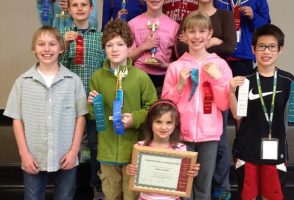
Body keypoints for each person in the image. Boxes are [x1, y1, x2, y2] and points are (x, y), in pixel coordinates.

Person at [3, 26, 87, 200]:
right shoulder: (22, 82)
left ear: (61, 48)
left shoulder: (73, 81)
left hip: (66, 155)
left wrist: (73, 151)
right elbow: (17, 120)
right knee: (33, 196)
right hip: (33, 155)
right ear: (34, 48)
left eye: (52, 44)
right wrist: (24, 154)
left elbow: (81, 117)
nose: (47, 49)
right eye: (41, 44)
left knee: (65, 196)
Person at [162, 10, 232, 200]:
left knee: (203, 186)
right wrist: (179, 86)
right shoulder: (175, 67)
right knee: (183, 186)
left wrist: (218, 80)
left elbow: (224, 104)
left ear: (210, 34)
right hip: (181, 134)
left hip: (209, 135)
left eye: (202, 31)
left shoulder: (221, 66)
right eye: (191, 32)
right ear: (183, 36)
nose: (197, 36)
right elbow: (165, 107)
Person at [87, 19, 157, 200]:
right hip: (107, 151)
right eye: (109, 45)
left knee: (131, 195)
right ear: (104, 48)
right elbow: (93, 115)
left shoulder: (141, 77)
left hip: (133, 152)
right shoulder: (97, 78)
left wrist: (134, 118)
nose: (114, 49)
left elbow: (153, 109)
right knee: (111, 194)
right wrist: (93, 105)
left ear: (129, 46)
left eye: (120, 44)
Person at [229, 24, 294, 200]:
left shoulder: (288, 80)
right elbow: (238, 116)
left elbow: (293, 114)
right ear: (253, 49)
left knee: (272, 196)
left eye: (272, 46)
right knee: (248, 196)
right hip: (247, 150)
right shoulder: (245, 81)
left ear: (280, 50)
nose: (266, 51)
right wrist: (230, 92)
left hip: (276, 151)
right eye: (261, 46)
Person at [59, 0, 105, 198]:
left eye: (84, 5)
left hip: (93, 101)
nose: (79, 8)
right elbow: (55, 67)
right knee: (70, 145)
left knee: (96, 144)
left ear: (91, 9)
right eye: (75, 5)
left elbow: (105, 68)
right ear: (68, 9)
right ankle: (69, 186)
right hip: (70, 102)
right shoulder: (61, 37)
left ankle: (97, 184)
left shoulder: (101, 38)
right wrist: (65, 45)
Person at [126, 99, 200, 200]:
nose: (163, 127)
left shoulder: (182, 149)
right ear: (150, 123)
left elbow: (185, 178)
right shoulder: (140, 147)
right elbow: (134, 173)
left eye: (169, 122)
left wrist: (192, 173)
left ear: (175, 125)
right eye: (158, 122)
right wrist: (130, 170)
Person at [128, 0, 179, 96]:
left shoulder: (174, 26)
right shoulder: (132, 24)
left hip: (164, 81)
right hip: (138, 79)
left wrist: (164, 65)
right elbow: (127, 59)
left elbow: (181, 62)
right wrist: (144, 46)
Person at [214, 0, 271, 77]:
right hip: (218, 52)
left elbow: (265, 25)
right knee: (218, 87)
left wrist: (253, 16)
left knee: (241, 88)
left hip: (243, 54)